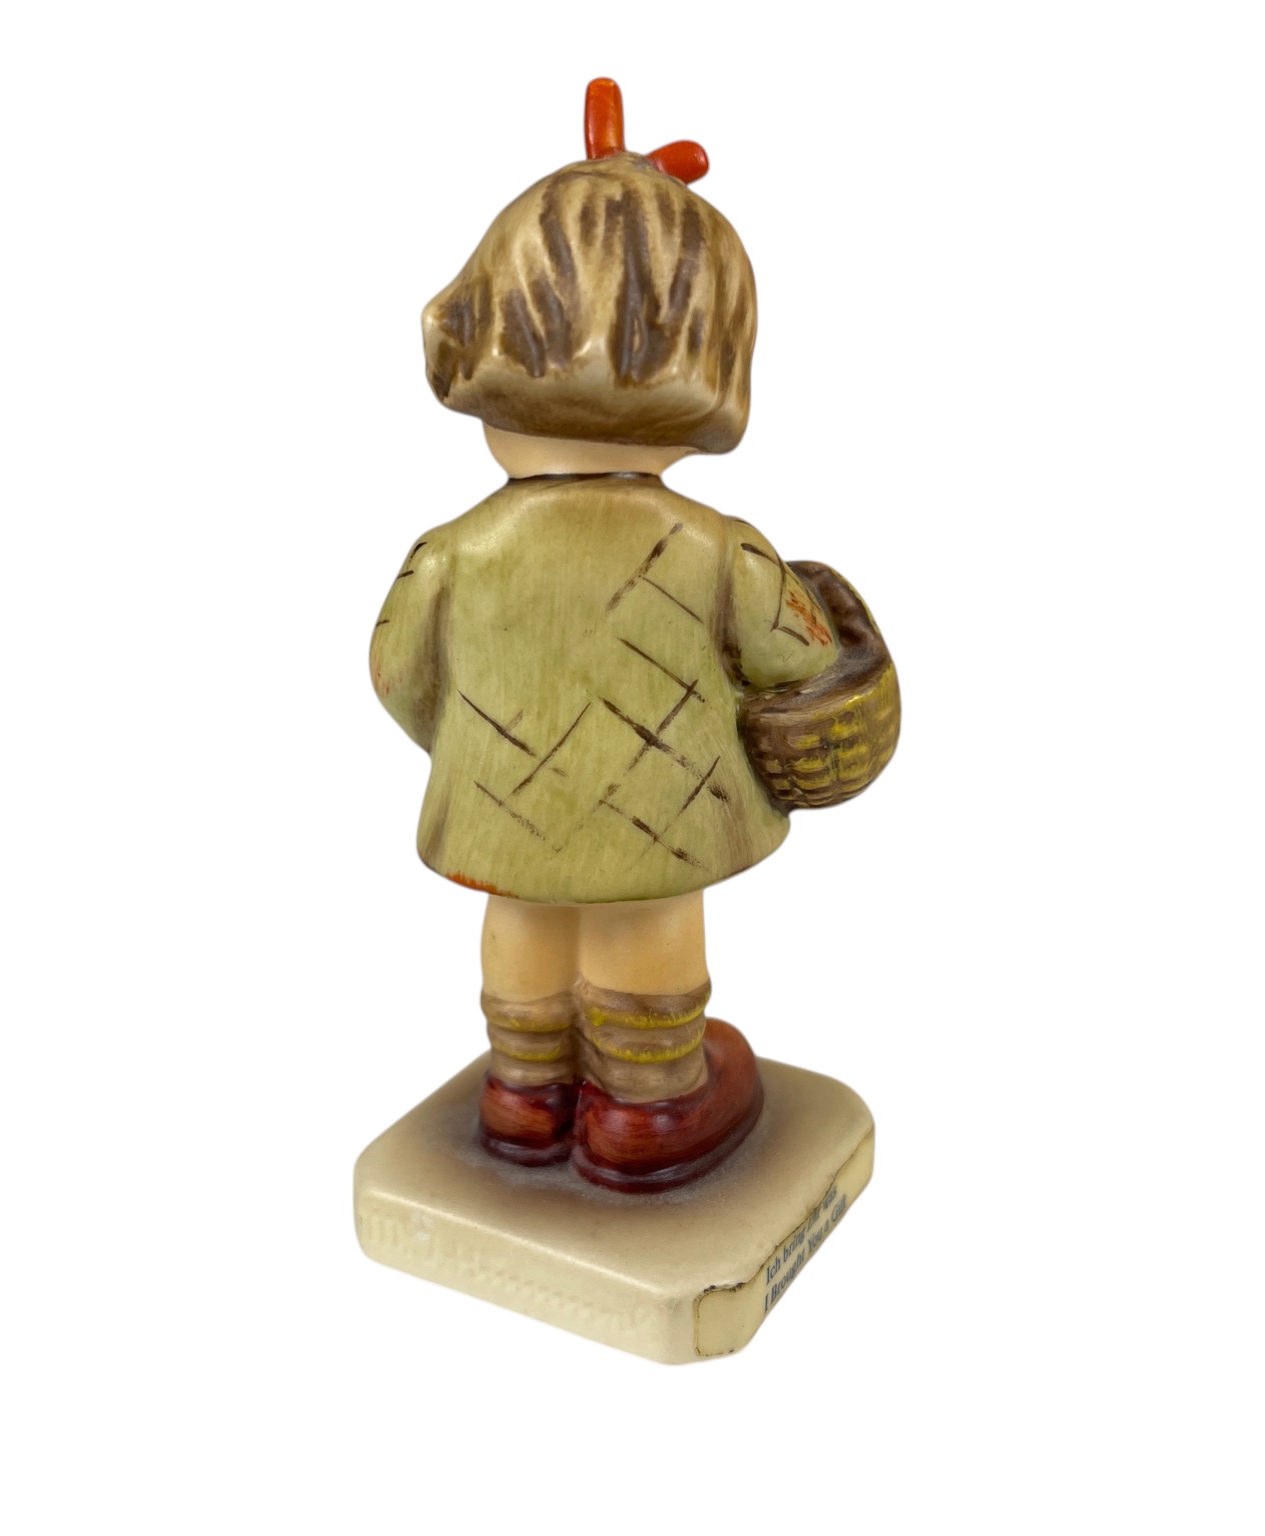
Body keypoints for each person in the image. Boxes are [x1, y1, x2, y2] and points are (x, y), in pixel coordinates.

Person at [369, 81, 892, 1191]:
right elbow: (800, 666)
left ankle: (524, 1086)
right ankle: (646, 1102)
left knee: (524, 913)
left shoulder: (447, 553)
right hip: (668, 812)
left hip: (499, 806)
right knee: (642, 915)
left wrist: (481, 745)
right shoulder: (722, 552)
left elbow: (397, 675)